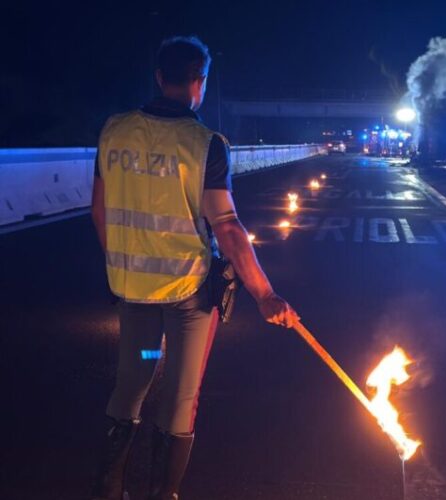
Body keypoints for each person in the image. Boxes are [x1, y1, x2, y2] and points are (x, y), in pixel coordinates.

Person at [90, 35, 299, 500]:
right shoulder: (205, 145)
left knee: (136, 378)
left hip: (132, 293)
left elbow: (99, 210)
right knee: (180, 395)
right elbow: (226, 226)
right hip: (186, 298)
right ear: (200, 83)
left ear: (159, 77)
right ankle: (162, 494)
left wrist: (120, 264)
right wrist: (265, 294)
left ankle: (108, 490)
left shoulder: (114, 131)